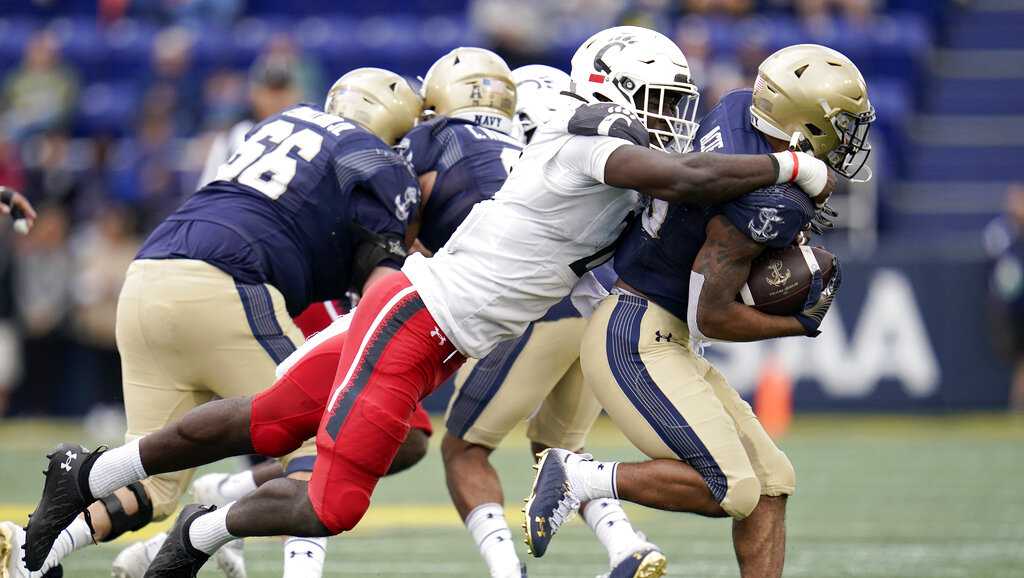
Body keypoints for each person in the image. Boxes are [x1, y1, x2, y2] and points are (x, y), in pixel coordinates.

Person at [22, 26, 836, 578]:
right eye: (659, 102)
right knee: (332, 503)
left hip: (426, 324)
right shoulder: (584, 142)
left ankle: (95, 470)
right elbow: (689, 177)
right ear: (607, 89)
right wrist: (791, 169)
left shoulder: (617, 172)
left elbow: (675, 228)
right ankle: (198, 531)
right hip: (417, 325)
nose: (673, 122)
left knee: (266, 420)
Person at [11, 68, 423, 578]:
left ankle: (31, 551)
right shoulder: (378, 161)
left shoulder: (282, 122)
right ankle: (223, 534)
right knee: (330, 435)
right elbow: (380, 289)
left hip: (148, 276)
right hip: (227, 282)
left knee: (156, 483)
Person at [525, 44, 873, 578]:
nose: (850, 137)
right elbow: (710, 317)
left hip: (657, 329)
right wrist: (797, 323)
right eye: (841, 124)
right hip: (636, 334)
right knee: (730, 487)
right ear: (804, 124)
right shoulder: (769, 203)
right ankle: (581, 476)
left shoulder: (740, 111)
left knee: (771, 483)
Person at [440, 63, 661, 578]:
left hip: (539, 302)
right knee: (562, 452)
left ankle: (504, 570)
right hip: (598, 308)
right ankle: (627, 545)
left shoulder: (506, 152)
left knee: (464, 449)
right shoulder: (594, 147)